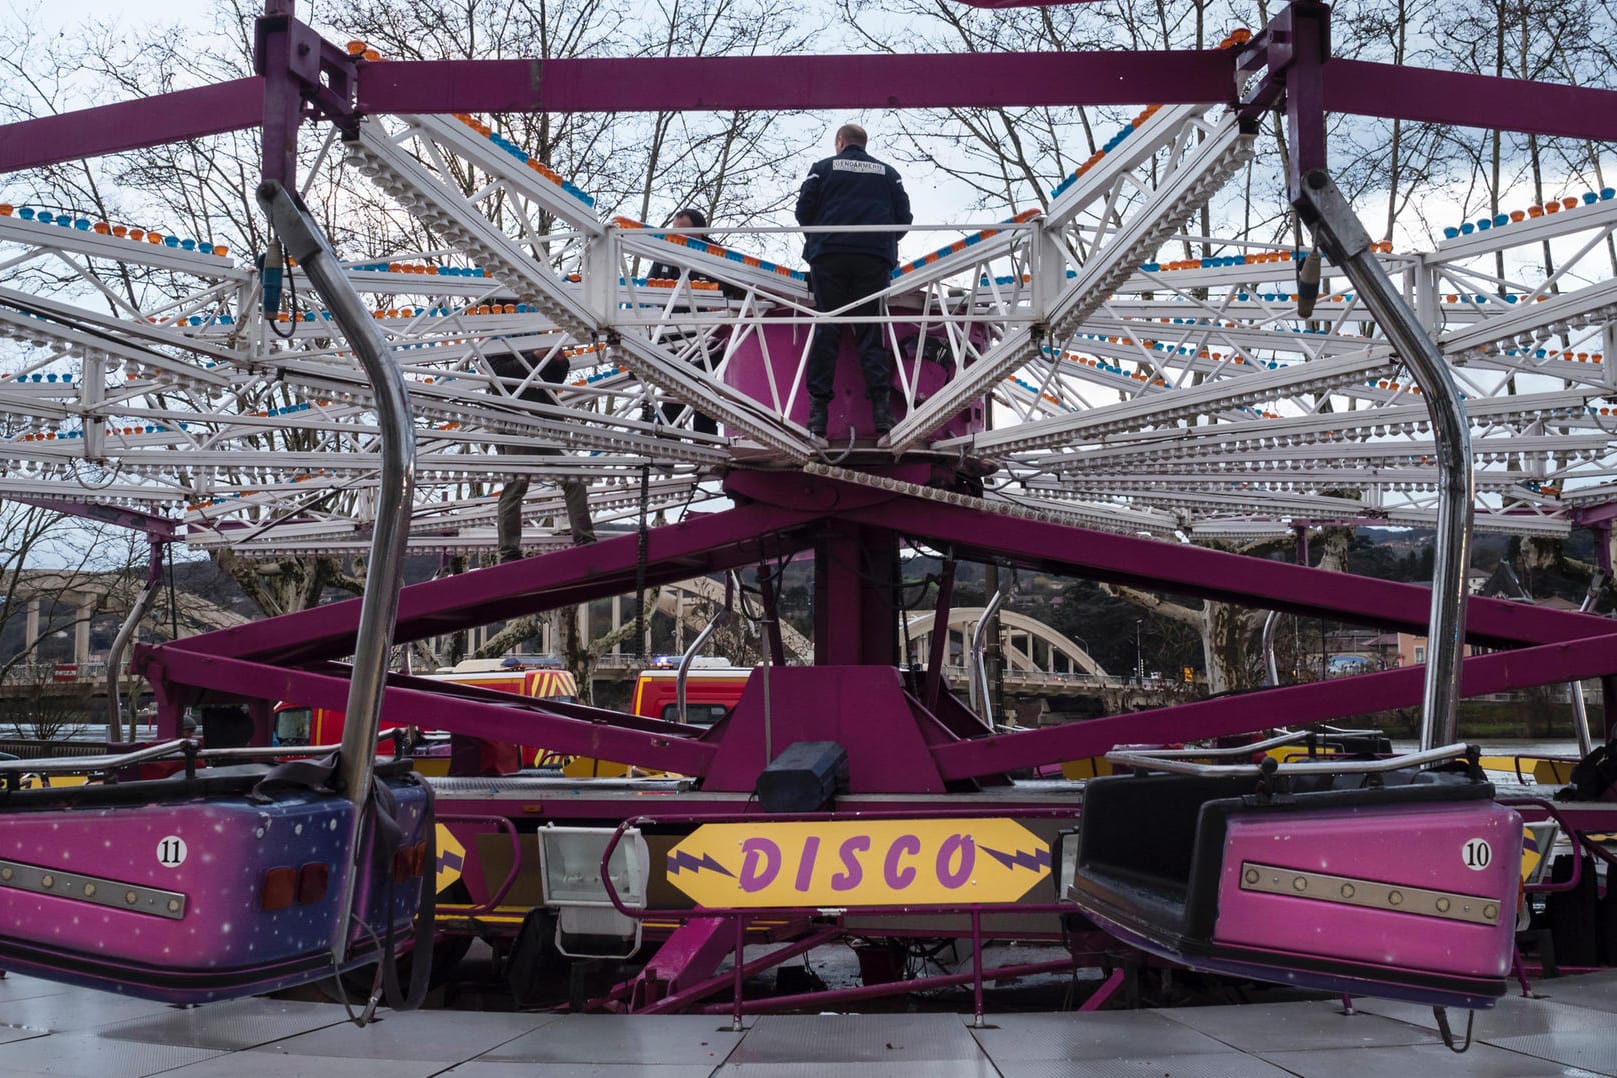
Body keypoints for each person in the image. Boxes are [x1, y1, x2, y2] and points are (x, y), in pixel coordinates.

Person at [794, 123, 913, 438]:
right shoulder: (888, 174)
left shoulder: (822, 169)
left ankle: (818, 415)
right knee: (870, 331)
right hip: (873, 257)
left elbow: (803, 211)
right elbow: (904, 218)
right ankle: (882, 414)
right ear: (864, 143)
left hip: (829, 254)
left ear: (840, 142)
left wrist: (823, 237)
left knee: (827, 329)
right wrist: (881, 243)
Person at [489, 349, 596, 561]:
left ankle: (585, 539)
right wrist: (535, 356)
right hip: (516, 424)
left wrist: (560, 362)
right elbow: (498, 376)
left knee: (574, 477)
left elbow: (553, 381)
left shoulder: (534, 338)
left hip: (545, 422)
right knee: (516, 485)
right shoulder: (495, 343)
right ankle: (508, 550)